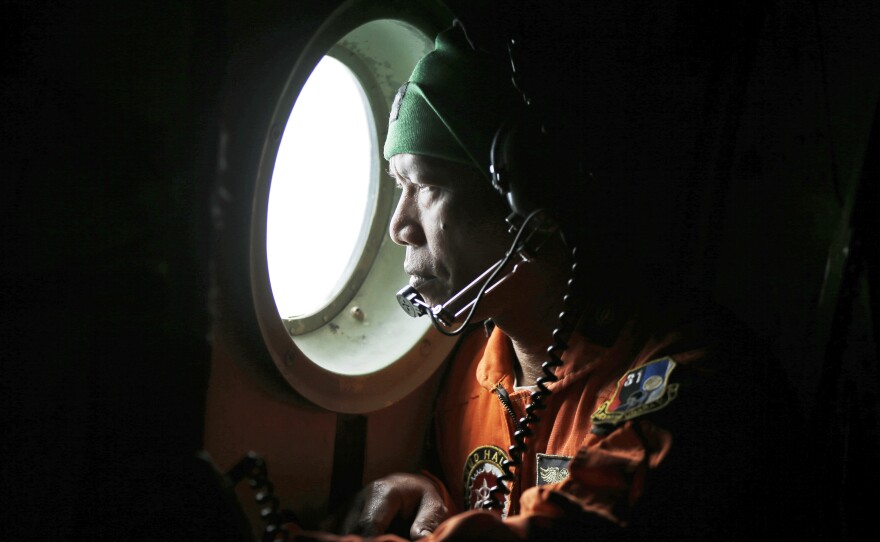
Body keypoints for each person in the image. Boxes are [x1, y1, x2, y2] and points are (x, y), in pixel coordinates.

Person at [286, 21, 809, 542]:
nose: (400, 227)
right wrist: (429, 492)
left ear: (530, 201)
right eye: (399, 184)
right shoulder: (473, 374)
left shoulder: (684, 384)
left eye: (426, 184)